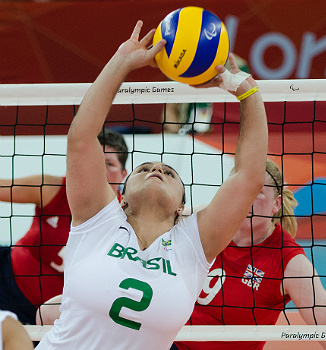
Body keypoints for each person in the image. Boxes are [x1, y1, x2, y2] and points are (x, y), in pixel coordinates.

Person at [35, 20, 268, 350]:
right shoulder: (97, 219)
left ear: (181, 207)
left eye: (169, 173)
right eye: (143, 168)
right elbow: (82, 139)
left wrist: (247, 93)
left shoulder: (195, 243)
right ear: (122, 196)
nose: (157, 169)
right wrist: (122, 62)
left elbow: (248, 178)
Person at [172, 158, 326, 350]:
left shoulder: (291, 264)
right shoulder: (202, 222)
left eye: (257, 192)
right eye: (239, 189)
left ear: (276, 204)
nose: (245, 198)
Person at [0, 129, 128, 325]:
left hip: (64, 319)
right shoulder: (53, 189)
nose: (100, 170)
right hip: (7, 285)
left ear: (122, 174)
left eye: (109, 164)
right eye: (93, 161)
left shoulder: (129, 216)